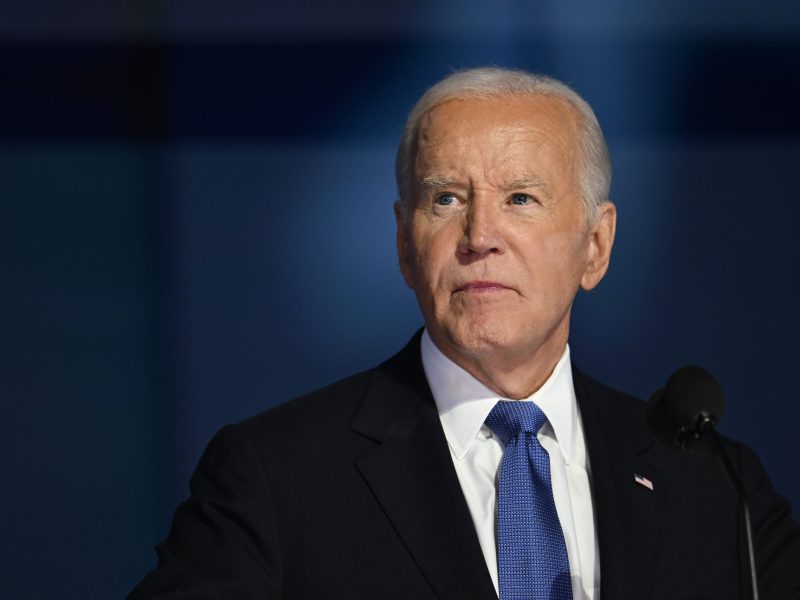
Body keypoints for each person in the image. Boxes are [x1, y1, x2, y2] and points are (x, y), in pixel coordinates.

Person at [129, 67, 800, 599]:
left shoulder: (713, 486)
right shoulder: (273, 478)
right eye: (446, 199)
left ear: (596, 246)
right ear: (402, 241)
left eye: (520, 199)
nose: (480, 237)